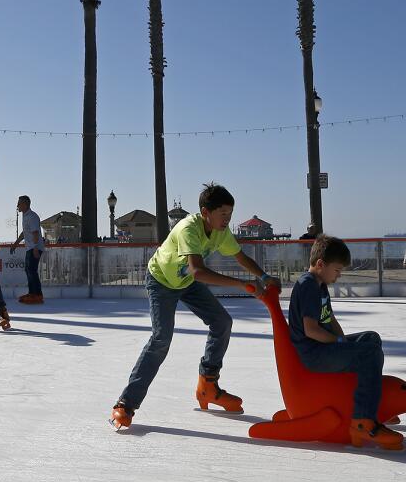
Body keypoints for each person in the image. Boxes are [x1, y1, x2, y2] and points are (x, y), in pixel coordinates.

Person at [110, 183, 280, 430]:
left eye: (230, 215)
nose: (227, 220)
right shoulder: (188, 228)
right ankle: (125, 404)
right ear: (205, 212)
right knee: (161, 339)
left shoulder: (221, 232)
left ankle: (208, 385)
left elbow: (239, 256)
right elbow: (199, 271)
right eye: (223, 215)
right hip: (161, 281)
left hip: (186, 281)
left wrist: (264, 277)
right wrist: (243, 285)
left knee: (222, 322)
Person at [288, 235, 403, 450]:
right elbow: (311, 330)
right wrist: (339, 343)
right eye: (337, 270)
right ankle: (363, 421)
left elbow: (330, 319)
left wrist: (343, 341)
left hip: (323, 346)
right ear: (321, 264)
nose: (339, 276)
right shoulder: (308, 286)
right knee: (370, 354)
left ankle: (367, 405)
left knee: (370, 339)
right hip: (314, 354)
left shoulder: (319, 285)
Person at [8, 195, 45, 304]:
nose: (17, 205)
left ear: (25, 204)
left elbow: (35, 233)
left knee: (32, 271)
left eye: (19, 203)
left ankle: (38, 295)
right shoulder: (25, 216)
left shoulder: (32, 216)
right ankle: (32, 292)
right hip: (30, 248)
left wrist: (35, 248)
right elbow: (25, 233)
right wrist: (16, 243)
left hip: (34, 248)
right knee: (29, 270)